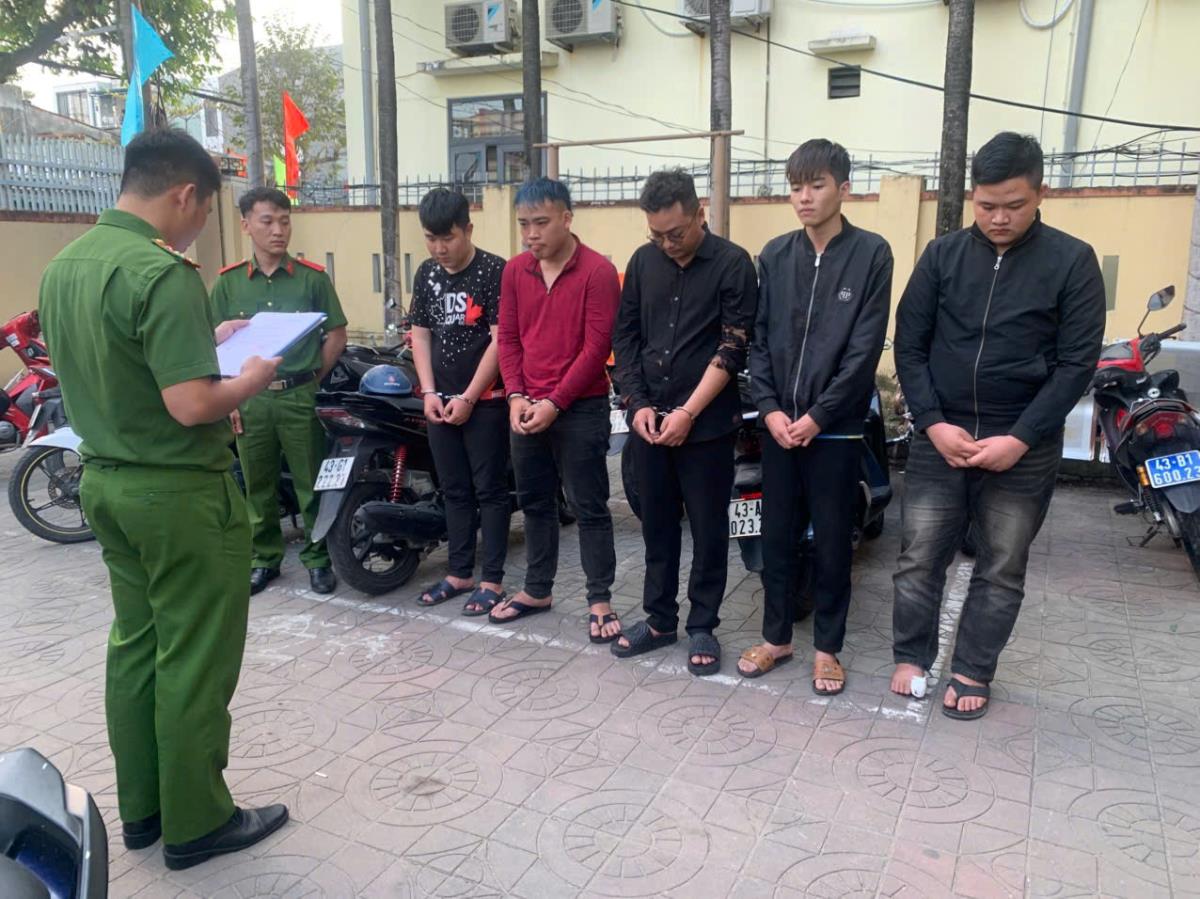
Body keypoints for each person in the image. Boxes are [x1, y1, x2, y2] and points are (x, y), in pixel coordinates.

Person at [38, 129, 288, 869]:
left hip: (105, 483)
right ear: (184, 194)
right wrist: (251, 377)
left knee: (137, 645)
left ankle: (144, 811)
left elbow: (121, 363)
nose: (198, 226)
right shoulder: (162, 272)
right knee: (194, 655)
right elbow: (191, 403)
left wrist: (207, 337)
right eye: (204, 211)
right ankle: (198, 821)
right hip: (177, 494)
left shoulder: (65, 266)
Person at [889, 132, 1105, 719]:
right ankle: (910, 655)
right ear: (972, 197)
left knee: (1002, 564)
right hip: (943, 436)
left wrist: (1021, 438)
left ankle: (972, 670)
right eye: (986, 205)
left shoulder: (1072, 261)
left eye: (1014, 204)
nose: (999, 218)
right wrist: (932, 423)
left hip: (1022, 444)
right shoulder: (942, 256)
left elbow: (1076, 364)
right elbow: (910, 344)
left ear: (1041, 193)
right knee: (919, 555)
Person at [738, 139, 894, 693]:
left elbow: (863, 350)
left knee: (831, 543)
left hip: (836, 431)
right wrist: (770, 410)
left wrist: (819, 416)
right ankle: (776, 639)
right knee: (776, 538)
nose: (804, 197)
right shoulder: (776, 255)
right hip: (779, 429)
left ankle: (827, 649)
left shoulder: (871, 253)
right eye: (796, 186)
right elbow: (759, 341)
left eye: (817, 185)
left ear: (843, 188)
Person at [610, 169, 757, 675]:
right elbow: (626, 338)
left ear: (700, 214)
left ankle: (702, 625)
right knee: (657, 527)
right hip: (649, 423)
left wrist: (689, 412)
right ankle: (658, 621)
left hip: (708, 426)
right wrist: (637, 404)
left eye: (675, 233)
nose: (667, 244)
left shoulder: (733, 264)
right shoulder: (642, 262)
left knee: (709, 529)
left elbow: (733, 346)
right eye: (656, 235)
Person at [494, 178, 622, 642]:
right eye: (524, 224)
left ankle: (600, 599)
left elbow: (597, 348)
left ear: (567, 219)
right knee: (535, 503)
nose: (531, 234)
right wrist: (515, 395)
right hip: (527, 406)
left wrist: (555, 402)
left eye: (541, 223)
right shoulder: (515, 271)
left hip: (581, 407)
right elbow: (508, 338)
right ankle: (537, 590)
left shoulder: (598, 272)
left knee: (589, 505)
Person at [210, 187, 348, 596]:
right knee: (258, 485)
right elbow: (213, 345)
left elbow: (336, 335)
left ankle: (318, 559)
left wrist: (313, 378)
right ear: (246, 225)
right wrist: (229, 395)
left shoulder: (312, 279)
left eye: (285, 221)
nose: (278, 230)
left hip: (298, 395)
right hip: (249, 400)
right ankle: (264, 559)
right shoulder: (228, 284)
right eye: (267, 221)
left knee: (310, 481)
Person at [409, 188, 511, 615]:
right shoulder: (426, 274)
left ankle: (492, 579)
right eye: (431, 238)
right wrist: (429, 392)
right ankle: (459, 572)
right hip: (440, 401)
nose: (439, 248)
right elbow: (420, 335)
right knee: (453, 489)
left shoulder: (494, 271)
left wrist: (470, 396)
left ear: (468, 229)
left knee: (491, 490)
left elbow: (501, 340)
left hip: (485, 401)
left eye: (447, 238)